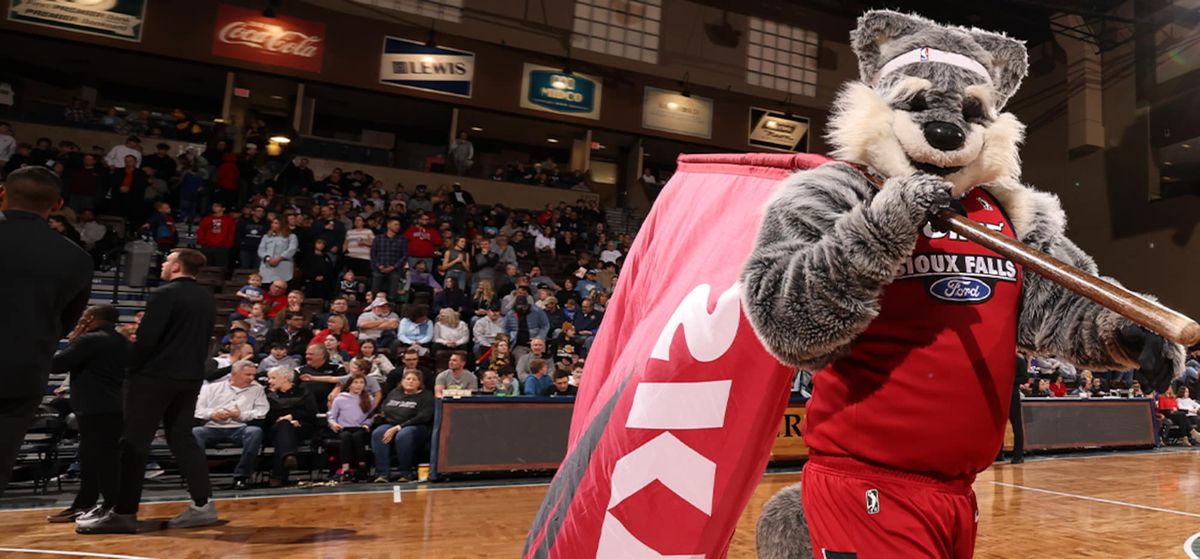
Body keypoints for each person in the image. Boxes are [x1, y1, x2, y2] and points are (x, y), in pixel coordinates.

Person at [79, 248, 218, 534]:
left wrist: (131, 364)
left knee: (133, 443)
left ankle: (124, 513)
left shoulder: (164, 294)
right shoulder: (206, 298)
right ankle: (204, 506)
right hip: (190, 377)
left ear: (177, 266)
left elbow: (147, 340)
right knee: (181, 438)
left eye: (167, 260)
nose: (163, 264)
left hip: (154, 377)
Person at [0, 167, 93, 498]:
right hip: (24, 372)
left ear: (2, 193)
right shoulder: (77, 259)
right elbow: (67, 324)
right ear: (57, 205)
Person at [45, 306, 130, 523]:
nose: (80, 320)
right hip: (115, 406)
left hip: (94, 407)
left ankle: (108, 505)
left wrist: (72, 339)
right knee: (97, 457)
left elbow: (56, 365)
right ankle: (88, 502)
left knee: (99, 459)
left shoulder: (90, 340)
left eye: (83, 317)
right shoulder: (122, 341)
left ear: (91, 318)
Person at [192, 361, 268, 490]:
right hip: (212, 427)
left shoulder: (257, 389)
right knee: (196, 432)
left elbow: (261, 412)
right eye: (247, 375)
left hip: (239, 428)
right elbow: (197, 410)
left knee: (255, 431)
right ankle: (199, 478)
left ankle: (242, 476)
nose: (251, 378)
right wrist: (212, 414)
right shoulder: (210, 388)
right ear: (234, 374)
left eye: (253, 375)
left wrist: (240, 415)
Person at [371, 371, 435, 482]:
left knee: (403, 435)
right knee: (378, 433)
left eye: (414, 379)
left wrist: (399, 427)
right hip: (391, 424)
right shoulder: (395, 392)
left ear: (419, 383)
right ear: (402, 381)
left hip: (416, 426)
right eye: (408, 379)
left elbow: (423, 417)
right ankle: (382, 473)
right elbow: (384, 408)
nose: (410, 381)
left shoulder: (426, 396)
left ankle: (405, 472)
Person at [264, 366, 318, 487]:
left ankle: (279, 474)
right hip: (275, 426)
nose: (269, 381)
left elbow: (311, 412)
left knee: (283, 434)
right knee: (284, 427)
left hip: (301, 426)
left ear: (285, 379)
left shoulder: (304, 390)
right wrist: (284, 419)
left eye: (273, 378)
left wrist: (293, 417)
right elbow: (266, 414)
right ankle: (288, 456)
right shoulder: (267, 393)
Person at [327, 371, 376, 481]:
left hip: (360, 428)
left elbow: (371, 416)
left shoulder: (369, 398)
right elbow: (332, 416)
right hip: (344, 428)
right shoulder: (340, 399)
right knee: (346, 437)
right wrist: (333, 423)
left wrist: (367, 424)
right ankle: (346, 469)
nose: (359, 385)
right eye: (356, 382)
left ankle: (362, 466)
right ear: (349, 385)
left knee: (358, 436)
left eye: (361, 382)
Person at [370, 217, 407, 301]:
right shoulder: (378, 238)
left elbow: (404, 255)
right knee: (375, 292)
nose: (398, 226)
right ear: (388, 225)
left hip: (395, 269)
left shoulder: (402, 239)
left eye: (399, 225)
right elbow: (373, 254)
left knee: (392, 294)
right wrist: (379, 265)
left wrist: (393, 267)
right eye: (395, 224)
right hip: (379, 269)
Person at [258, 217, 299, 284]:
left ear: (282, 225)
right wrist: (268, 258)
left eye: (276, 223)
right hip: (267, 268)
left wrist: (279, 258)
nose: (272, 225)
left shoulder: (291, 237)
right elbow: (261, 249)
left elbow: (292, 249)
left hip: (283, 268)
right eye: (272, 223)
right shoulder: (266, 236)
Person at [197, 201, 236, 269]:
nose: (214, 208)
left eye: (217, 206)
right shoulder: (207, 219)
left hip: (222, 247)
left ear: (223, 208)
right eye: (213, 206)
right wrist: (202, 242)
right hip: (208, 246)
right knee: (207, 265)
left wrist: (228, 244)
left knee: (221, 266)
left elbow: (231, 233)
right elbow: (201, 231)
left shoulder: (229, 220)